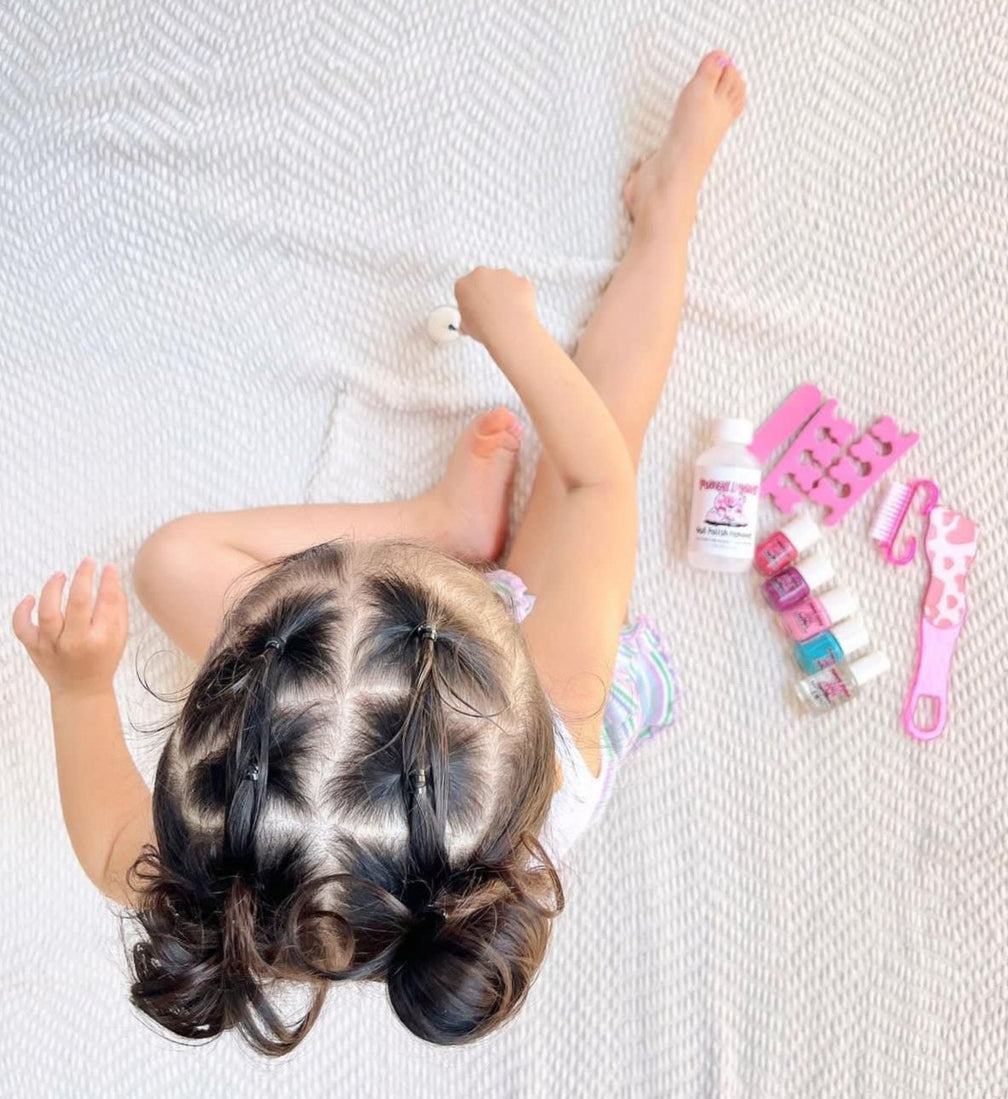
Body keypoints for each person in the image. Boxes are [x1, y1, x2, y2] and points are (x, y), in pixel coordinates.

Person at [11, 51, 745, 1054]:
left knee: (171, 560)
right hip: (550, 700)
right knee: (604, 418)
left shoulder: (240, 895)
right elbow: (597, 478)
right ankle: (667, 211)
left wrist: (80, 687)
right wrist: (515, 334)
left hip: (457, 744)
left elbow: (108, 846)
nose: (331, 558)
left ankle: (439, 519)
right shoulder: (555, 691)